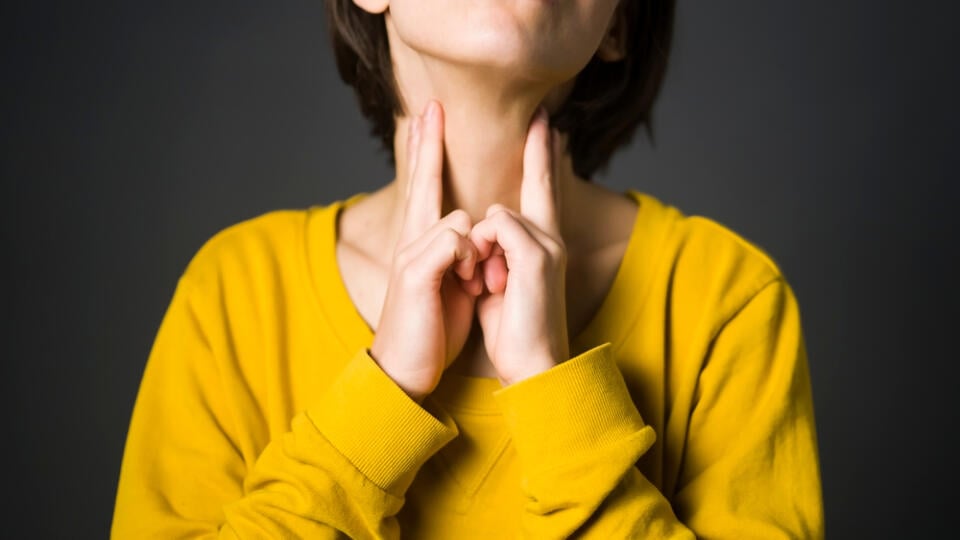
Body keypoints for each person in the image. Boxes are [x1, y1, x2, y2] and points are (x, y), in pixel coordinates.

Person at [112, 0, 823, 537]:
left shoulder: (727, 295)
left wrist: (558, 395)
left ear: (618, 25)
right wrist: (383, 391)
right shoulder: (235, 295)